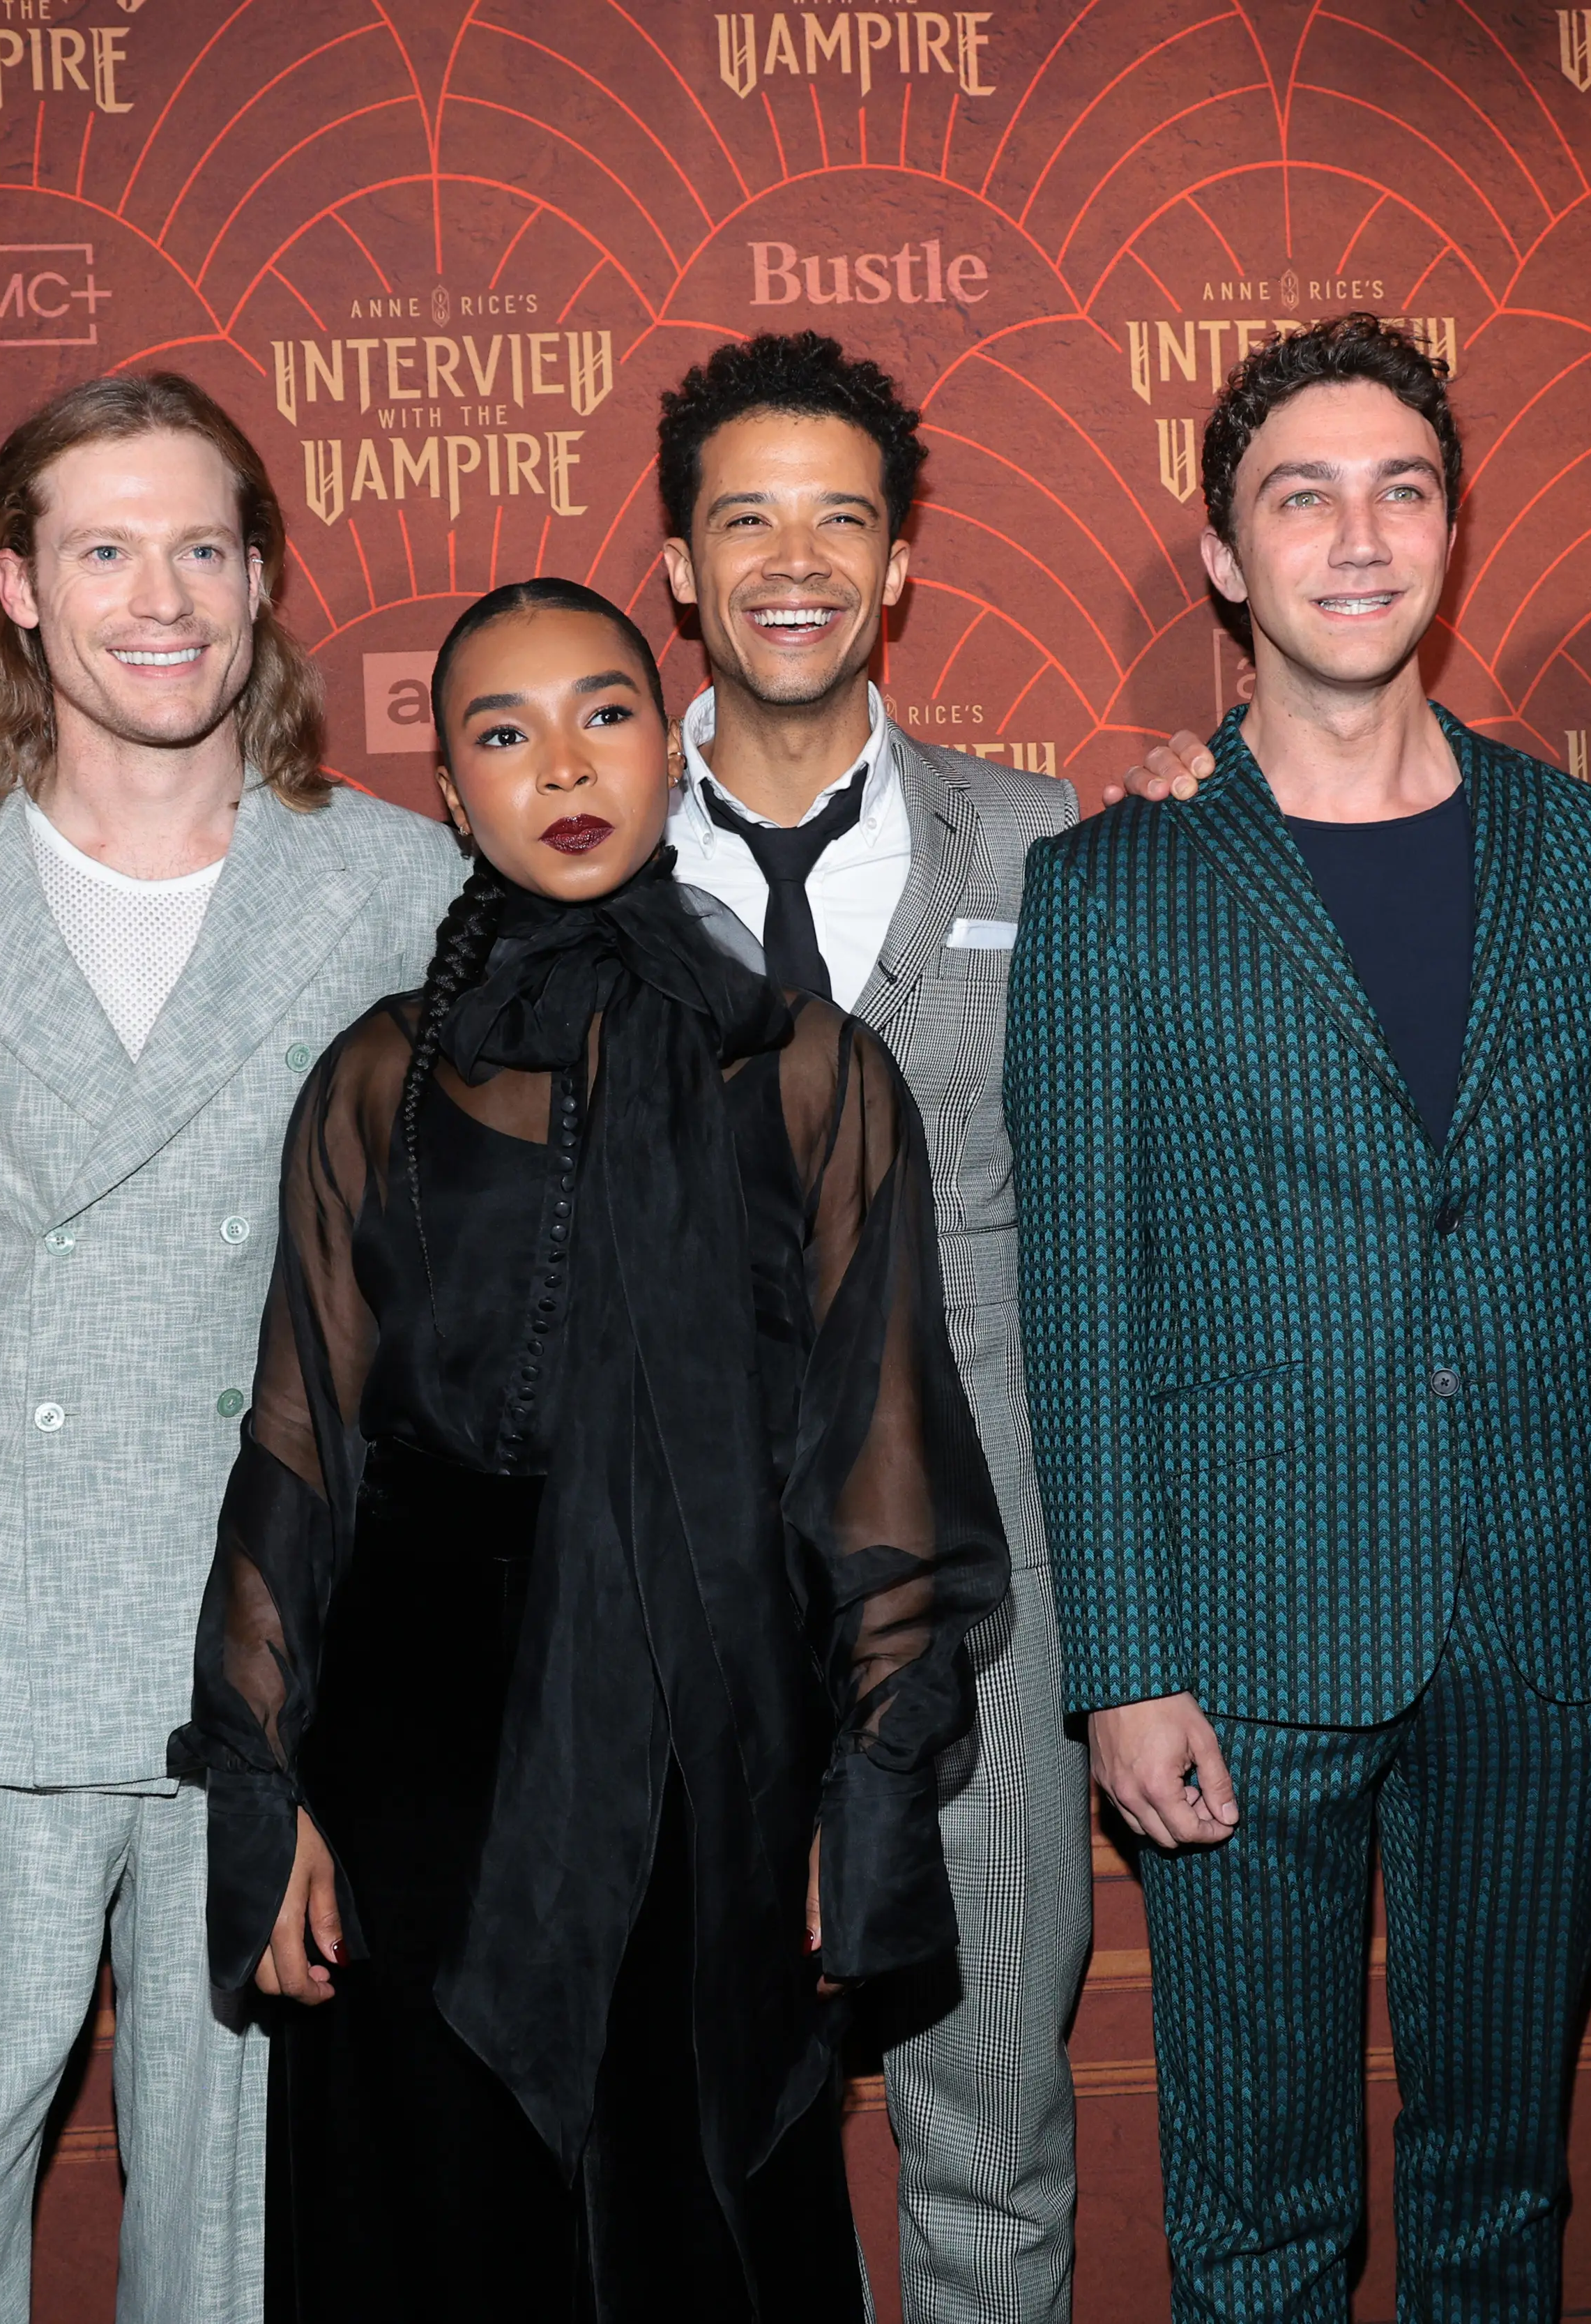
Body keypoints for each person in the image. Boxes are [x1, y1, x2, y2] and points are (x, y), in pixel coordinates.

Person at [182, 577, 1007, 2321]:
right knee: (441, 2237)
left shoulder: (807, 1070)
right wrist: (268, 1790)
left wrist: (854, 1799)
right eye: (501, 731)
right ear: (455, 794)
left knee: (686, 2235)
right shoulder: (379, 1080)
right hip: (418, 1768)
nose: (560, 762)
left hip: (712, 1745)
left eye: (602, 712)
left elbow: (882, 1467)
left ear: (670, 743)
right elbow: (299, 1446)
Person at [1006, 314, 1591, 2322]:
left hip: (1548, 1623)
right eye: (1303, 495)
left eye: (1401, 491)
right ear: (1224, 556)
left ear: (1457, 532)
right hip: (1244, 1642)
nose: (1356, 537)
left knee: (1498, 2194)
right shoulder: (1112, 887)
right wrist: (1121, 1660)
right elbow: (1078, 1299)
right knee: (1261, 2218)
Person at [0, 372, 459, 2324]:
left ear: (260, 581)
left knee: (250, 2269)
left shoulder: (396, 886)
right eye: (102, 545)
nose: (156, 592)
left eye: (200, 545)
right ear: (15, 584)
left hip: (269, 1683)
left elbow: (461, 1311)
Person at [652, 330, 1088, 2323]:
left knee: (986, 2128)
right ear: (679, 564)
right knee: (686, 2136)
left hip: (983, 1604)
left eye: (842, 514)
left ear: (901, 560)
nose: (795, 559)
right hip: (676, 1615)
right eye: (748, 515)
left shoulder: (1050, 841)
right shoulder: (569, 865)